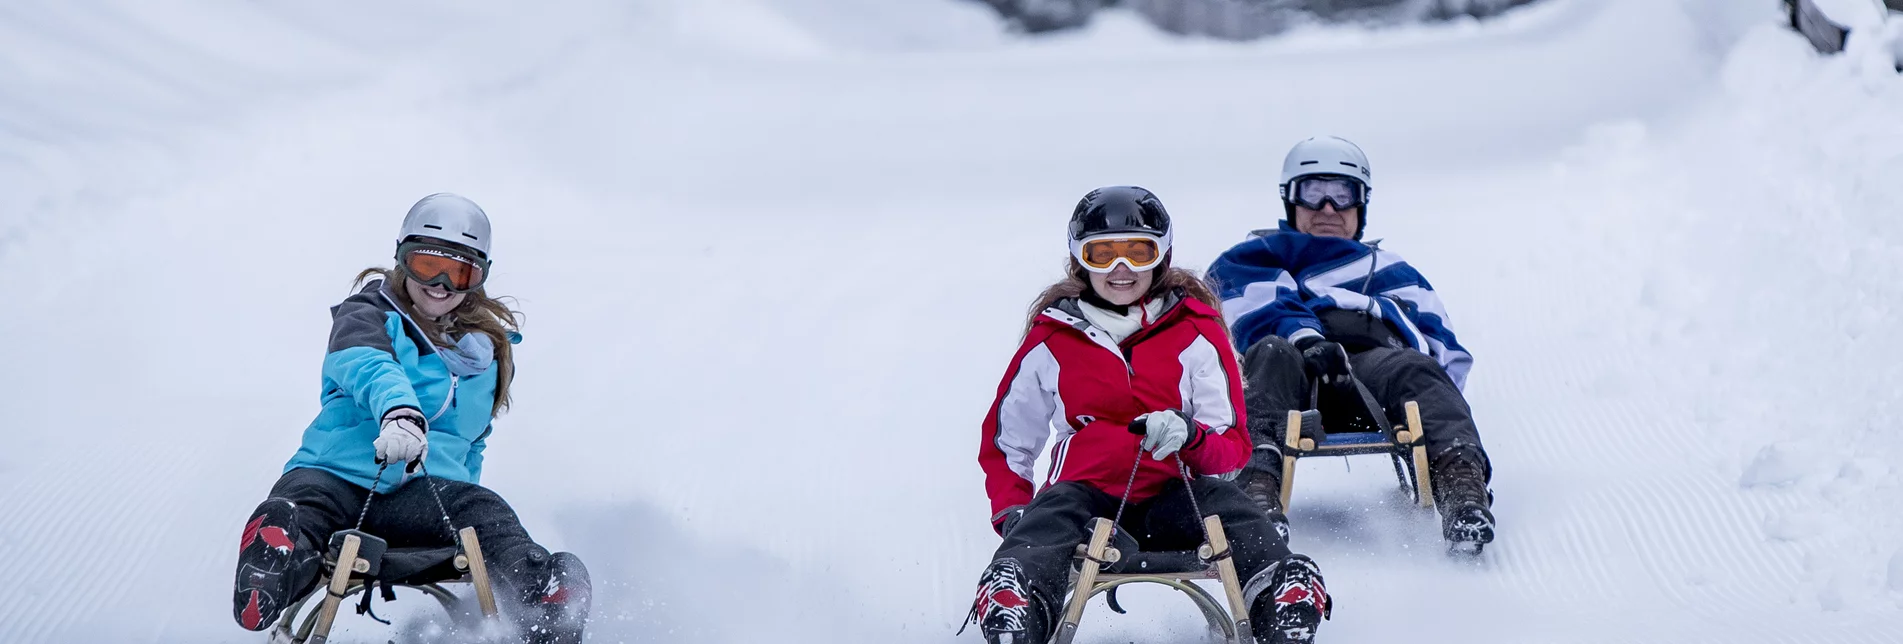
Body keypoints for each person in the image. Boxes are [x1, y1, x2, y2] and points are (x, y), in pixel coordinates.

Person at [966, 187, 1331, 644]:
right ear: (1080, 259)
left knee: (1230, 507)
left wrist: (1191, 436)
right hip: (1087, 495)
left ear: (1162, 255)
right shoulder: (1051, 340)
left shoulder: (1196, 332)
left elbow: (1234, 448)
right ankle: (1018, 599)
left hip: (1175, 495)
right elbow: (1007, 441)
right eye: (1103, 254)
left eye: (1139, 252)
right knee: (1049, 516)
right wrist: (1013, 510)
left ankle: (1279, 593)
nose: (1122, 269)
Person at [231, 193, 590, 642]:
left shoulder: (486, 354)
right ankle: (274, 568)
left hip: (422, 498)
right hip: (338, 475)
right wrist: (399, 414)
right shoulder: (366, 315)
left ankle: (544, 598)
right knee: (302, 504)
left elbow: (473, 440)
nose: (440, 283)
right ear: (401, 259)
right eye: (426, 266)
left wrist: (459, 487)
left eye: (459, 272)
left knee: (484, 511)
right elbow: (370, 366)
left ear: (478, 278)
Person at [1205, 136, 1496, 549]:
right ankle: (1254, 496)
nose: (1328, 208)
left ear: (1361, 204)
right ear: (1291, 200)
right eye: (1314, 193)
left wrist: (1436, 400)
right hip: (1290, 375)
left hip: (1371, 377)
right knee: (1270, 354)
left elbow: (1440, 344)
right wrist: (1307, 338)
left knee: (1415, 367)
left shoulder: (1391, 269)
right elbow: (1245, 307)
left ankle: (1462, 487)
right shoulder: (1255, 256)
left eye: (1343, 194)